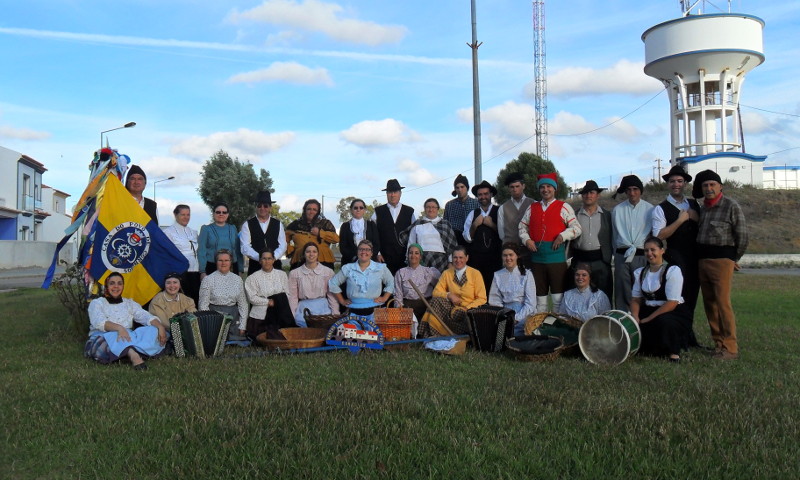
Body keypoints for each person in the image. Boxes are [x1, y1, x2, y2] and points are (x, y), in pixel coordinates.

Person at [694, 169, 748, 360]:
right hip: (703, 260)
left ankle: (730, 347)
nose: (709, 188)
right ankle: (718, 344)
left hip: (722, 260)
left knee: (723, 303)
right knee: (710, 304)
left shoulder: (731, 206)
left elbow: (742, 236)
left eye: (712, 185)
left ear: (720, 186)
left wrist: (733, 259)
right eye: (705, 185)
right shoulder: (703, 209)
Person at [519, 172, 581, 314]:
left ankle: (557, 326)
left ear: (555, 189)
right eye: (542, 187)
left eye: (549, 186)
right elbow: (521, 227)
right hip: (537, 259)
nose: (545, 190)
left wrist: (562, 236)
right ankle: (540, 326)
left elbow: (577, 228)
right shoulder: (532, 208)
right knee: (540, 298)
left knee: (557, 298)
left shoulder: (564, 207)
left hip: (556, 259)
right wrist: (527, 239)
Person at [652, 165, 701, 336]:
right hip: (676, 259)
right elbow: (659, 235)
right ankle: (676, 336)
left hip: (695, 258)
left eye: (680, 181)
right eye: (672, 181)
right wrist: (680, 221)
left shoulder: (694, 204)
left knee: (692, 298)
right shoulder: (661, 208)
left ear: (685, 183)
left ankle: (689, 337)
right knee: (676, 298)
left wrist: (695, 218)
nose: (676, 184)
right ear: (668, 184)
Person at [85, 272, 167, 370]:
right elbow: (99, 322)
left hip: (127, 335)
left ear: (123, 286)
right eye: (112, 283)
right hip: (104, 336)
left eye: (119, 283)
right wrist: (119, 328)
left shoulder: (129, 303)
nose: (116, 286)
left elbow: (145, 316)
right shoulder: (97, 303)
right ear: (106, 285)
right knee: (112, 336)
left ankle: (126, 351)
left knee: (153, 330)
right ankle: (134, 356)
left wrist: (160, 326)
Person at [630, 237, 692, 363]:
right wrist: (635, 316)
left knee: (664, 322)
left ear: (662, 251)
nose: (649, 253)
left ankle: (673, 353)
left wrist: (649, 318)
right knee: (633, 322)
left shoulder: (673, 270)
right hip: (649, 308)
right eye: (646, 250)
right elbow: (636, 299)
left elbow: (672, 303)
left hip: (672, 311)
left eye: (653, 250)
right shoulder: (640, 272)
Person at [611, 174, 654, 311]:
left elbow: (653, 234)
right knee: (622, 290)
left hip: (642, 255)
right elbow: (614, 235)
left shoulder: (650, 209)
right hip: (622, 255)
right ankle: (623, 319)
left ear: (640, 190)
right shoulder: (618, 210)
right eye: (629, 190)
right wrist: (615, 255)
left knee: (642, 289)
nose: (632, 193)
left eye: (635, 189)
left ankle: (642, 319)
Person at [424, 246, 487, 336]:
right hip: (451, 309)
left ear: (467, 258)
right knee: (435, 301)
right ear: (452, 259)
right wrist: (449, 295)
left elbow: (482, 298)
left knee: (467, 316)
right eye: (455, 257)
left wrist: (467, 308)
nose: (458, 260)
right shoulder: (447, 273)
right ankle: (435, 333)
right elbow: (435, 292)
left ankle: (463, 335)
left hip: (469, 311)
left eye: (461, 257)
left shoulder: (475, 273)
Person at [329, 239, 394, 320]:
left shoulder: (380, 268)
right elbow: (333, 283)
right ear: (357, 252)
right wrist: (342, 300)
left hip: (375, 312)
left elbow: (391, 282)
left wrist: (384, 298)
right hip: (353, 311)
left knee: (372, 332)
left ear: (371, 253)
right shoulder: (348, 268)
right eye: (361, 249)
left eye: (367, 250)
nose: (364, 252)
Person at [570, 180, 613, 301]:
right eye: (585, 193)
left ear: (597, 195)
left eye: (592, 192)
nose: (588, 196)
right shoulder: (574, 215)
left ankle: (604, 319)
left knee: (604, 294)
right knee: (580, 296)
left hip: (601, 261)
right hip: (580, 260)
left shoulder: (607, 215)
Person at [198, 249, 249, 343]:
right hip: (215, 316)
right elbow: (203, 305)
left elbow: (243, 304)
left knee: (237, 339)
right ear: (216, 262)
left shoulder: (238, 279)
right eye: (220, 260)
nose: (223, 263)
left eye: (226, 260)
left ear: (231, 262)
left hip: (233, 315)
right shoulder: (208, 280)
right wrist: (208, 324)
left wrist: (243, 326)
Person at [244, 250, 295, 339]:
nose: (267, 261)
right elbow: (251, 298)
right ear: (260, 261)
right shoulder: (252, 278)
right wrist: (268, 302)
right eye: (264, 258)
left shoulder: (282, 275)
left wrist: (277, 301)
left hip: (279, 312)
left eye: (269, 258)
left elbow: (287, 293)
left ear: (273, 260)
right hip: (260, 316)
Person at [488, 243, 536, 336]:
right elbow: (495, 300)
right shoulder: (498, 275)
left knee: (520, 333)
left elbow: (531, 303)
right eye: (505, 255)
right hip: (505, 312)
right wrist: (504, 315)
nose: (508, 258)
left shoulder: (527, 274)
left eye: (511, 255)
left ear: (517, 256)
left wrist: (516, 318)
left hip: (523, 312)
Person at [287, 242, 339, 327]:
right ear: (304, 254)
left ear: (318, 254)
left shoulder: (328, 272)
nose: (311, 254)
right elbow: (293, 297)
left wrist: (335, 314)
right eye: (308, 251)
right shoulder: (295, 273)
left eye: (314, 251)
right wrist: (292, 316)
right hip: (303, 309)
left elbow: (331, 295)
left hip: (323, 308)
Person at [463, 180, 502, 292]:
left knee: (494, 289)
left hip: (495, 258)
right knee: (478, 289)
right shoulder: (473, 214)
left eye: (485, 194)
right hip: (477, 259)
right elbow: (467, 238)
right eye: (480, 194)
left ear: (490, 195)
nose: (483, 197)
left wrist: (492, 225)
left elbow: (505, 234)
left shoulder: (499, 211)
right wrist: (475, 225)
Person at [400, 198, 458, 272]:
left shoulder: (445, 224)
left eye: (433, 207)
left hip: (441, 260)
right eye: (428, 207)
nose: (431, 210)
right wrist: (409, 259)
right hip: (421, 259)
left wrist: (451, 262)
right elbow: (411, 244)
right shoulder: (417, 224)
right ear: (425, 209)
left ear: (438, 209)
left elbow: (451, 245)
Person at [374, 179, 416, 275]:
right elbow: (373, 235)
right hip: (383, 259)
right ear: (386, 194)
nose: (392, 195)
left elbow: (414, 234)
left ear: (400, 193)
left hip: (404, 259)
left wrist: (411, 255)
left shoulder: (409, 212)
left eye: (395, 192)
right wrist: (377, 253)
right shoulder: (377, 211)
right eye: (390, 192)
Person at [241, 191, 287, 275]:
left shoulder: (278, 224)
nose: (262, 208)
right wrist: (261, 258)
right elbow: (245, 247)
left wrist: (272, 258)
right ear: (256, 207)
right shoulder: (247, 225)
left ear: (270, 208)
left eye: (265, 206)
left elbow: (283, 245)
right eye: (259, 205)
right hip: (255, 267)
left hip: (275, 266)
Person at [394, 244, 442, 323]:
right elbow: (398, 296)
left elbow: (440, 287)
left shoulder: (429, 272)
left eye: (416, 253)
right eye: (411, 253)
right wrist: (400, 311)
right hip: (408, 308)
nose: (413, 255)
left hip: (426, 307)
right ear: (407, 255)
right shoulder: (400, 273)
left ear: (420, 256)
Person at [286, 199, 339, 270]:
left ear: (318, 211)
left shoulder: (325, 223)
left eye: (314, 209)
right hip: (300, 261)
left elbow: (336, 239)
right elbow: (284, 239)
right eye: (309, 209)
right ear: (304, 210)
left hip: (323, 261)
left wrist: (320, 233)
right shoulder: (295, 224)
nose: (311, 212)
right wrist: (291, 250)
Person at [164, 204, 201, 304]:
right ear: (176, 215)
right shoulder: (168, 232)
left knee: (195, 299)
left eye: (188, 215)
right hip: (180, 271)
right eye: (183, 214)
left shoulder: (193, 232)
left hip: (195, 271)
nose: (186, 217)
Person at [198, 202, 243, 277]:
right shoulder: (206, 229)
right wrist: (202, 271)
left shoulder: (233, 228)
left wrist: (240, 269)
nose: (221, 214)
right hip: (212, 267)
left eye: (224, 212)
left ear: (228, 214)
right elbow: (201, 251)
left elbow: (238, 250)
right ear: (213, 214)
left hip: (232, 267)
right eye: (218, 212)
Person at [339, 198, 381, 265]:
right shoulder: (345, 226)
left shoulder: (371, 225)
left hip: (370, 262)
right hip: (350, 262)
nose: (358, 210)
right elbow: (343, 247)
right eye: (355, 208)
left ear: (364, 210)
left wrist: (367, 257)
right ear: (351, 210)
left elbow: (376, 244)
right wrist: (355, 257)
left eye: (361, 208)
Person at [497, 172, 534, 246]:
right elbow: (501, 233)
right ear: (509, 188)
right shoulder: (502, 208)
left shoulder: (533, 204)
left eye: (517, 186)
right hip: (510, 250)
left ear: (523, 186)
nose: (515, 189)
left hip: (530, 248)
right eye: (512, 187)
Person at [443, 174, 478, 246]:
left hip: (472, 240)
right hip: (454, 241)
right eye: (457, 187)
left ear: (467, 188)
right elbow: (445, 226)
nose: (460, 190)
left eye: (462, 187)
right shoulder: (449, 205)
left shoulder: (476, 204)